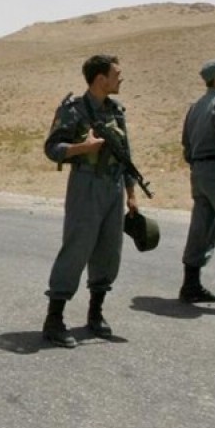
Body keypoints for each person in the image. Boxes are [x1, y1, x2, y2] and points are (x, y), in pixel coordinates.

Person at [41, 54, 140, 348]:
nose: (120, 78)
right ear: (100, 79)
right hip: (85, 185)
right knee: (77, 248)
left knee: (109, 251)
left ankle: (95, 313)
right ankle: (54, 319)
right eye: (116, 74)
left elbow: (126, 154)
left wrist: (132, 194)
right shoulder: (73, 109)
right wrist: (83, 147)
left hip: (113, 187)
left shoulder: (116, 110)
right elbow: (52, 148)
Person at [177, 58, 215, 303]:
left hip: (199, 173)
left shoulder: (196, 106)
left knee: (201, 228)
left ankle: (191, 285)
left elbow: (186, 145)